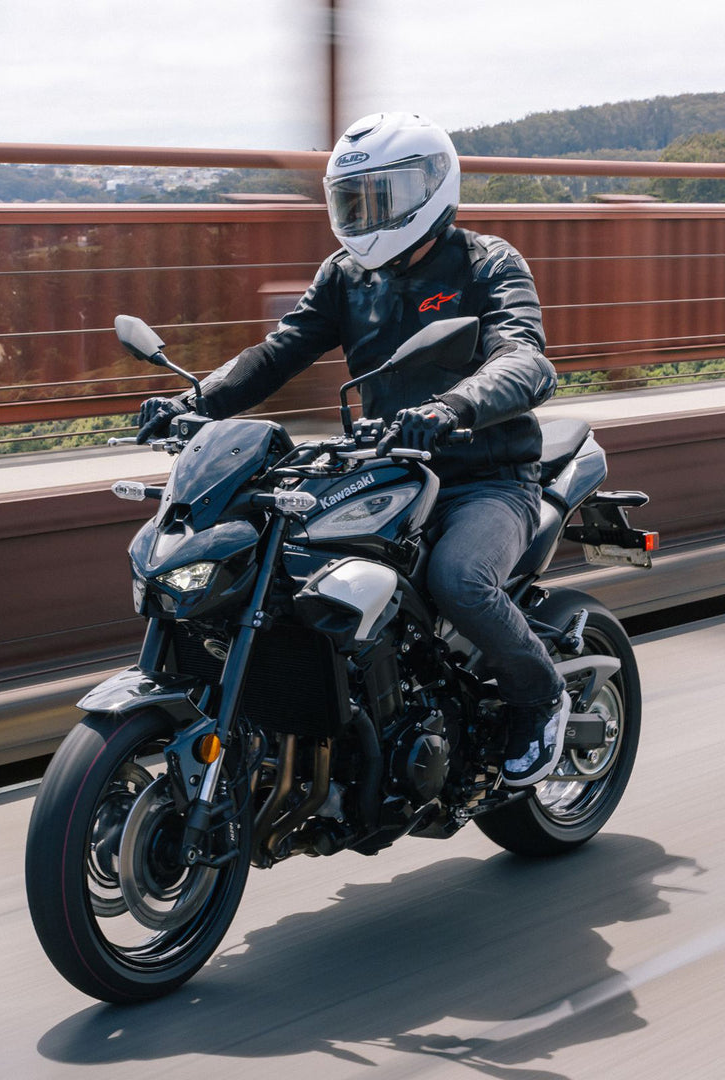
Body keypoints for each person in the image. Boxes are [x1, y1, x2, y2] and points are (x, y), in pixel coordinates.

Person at [136, 112, 570, 787]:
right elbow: (279, 352)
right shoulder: (345, 276)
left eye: (382, 197)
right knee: (284, 562)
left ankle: (540, 696)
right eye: (354, 199)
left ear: (431, 187)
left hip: (484, 477)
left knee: (458, 578)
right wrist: (195, 405)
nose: (366, 215)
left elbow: (527, 361)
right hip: (385, 470)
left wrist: (452, 407)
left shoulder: (487, 264)